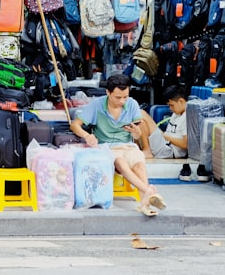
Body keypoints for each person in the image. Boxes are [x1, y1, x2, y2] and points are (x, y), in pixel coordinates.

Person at [70, 73, 167, 217]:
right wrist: (87, 135)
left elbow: (138, 135)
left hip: (128, 145)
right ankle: (148, 192)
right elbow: (75, 125)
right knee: (121, 163)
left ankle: (145, 202)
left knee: (139, 164)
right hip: (107, 147)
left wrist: (136, 133)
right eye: (118, 97)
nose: (122, 101)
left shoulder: (132, 104)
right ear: (108, 92)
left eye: (125, 97)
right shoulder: (97, 105)